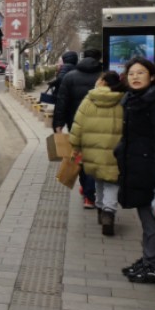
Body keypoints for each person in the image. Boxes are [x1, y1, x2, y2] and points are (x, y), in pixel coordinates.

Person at [116, 57, 155, 284]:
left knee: (152, 220)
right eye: (131, 73)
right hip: (139, 169)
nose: (135, 77)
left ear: (152, 76)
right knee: (147, 219)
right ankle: (150, 259)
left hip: (152, 173)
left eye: (140, 73)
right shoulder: (136, 100)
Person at [69, 71, 125, 236]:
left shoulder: (89, 99)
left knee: (99, 180)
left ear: (103, 83)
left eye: (99, 80)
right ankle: (109, 211)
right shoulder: (122, 100)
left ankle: (100, 208)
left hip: (92, 149)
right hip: (115, 151)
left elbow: (77, 125)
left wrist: (75, 146)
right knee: (112, 182)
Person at [53, 48, 104, 209]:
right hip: (101, 125)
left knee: (80, 158)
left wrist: (58, 124)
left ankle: (88, 193)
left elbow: (61, 102)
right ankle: (92, 193)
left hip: (76, 124)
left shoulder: (70, 77)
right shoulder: (105, 77)